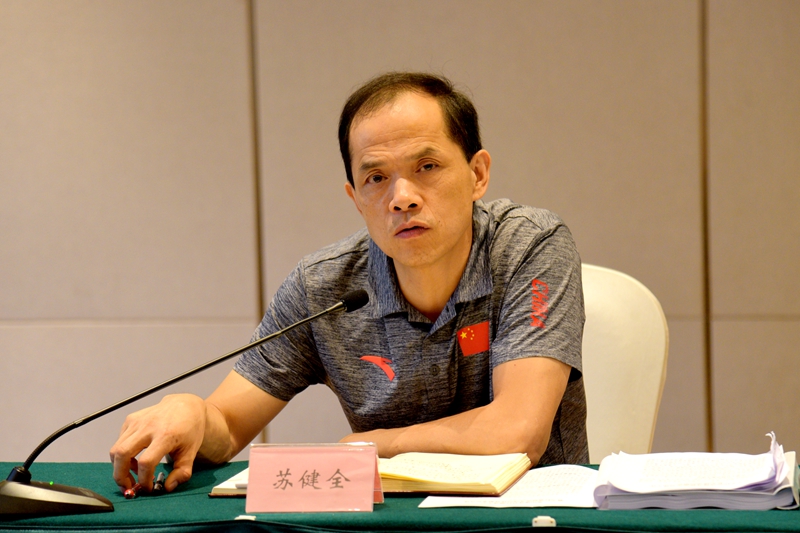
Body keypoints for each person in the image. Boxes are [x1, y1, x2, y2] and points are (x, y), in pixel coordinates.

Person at [110, 72, 589, 494]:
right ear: (356, 198)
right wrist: (194, 412)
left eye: (427, 167)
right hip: (383, 529)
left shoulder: (528, 246)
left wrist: (374, 444)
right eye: (376, 177)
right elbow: (227, 425)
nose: (402, 198)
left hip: (530, 523)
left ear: (477, 174)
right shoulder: (324, 287)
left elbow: (518, 430)